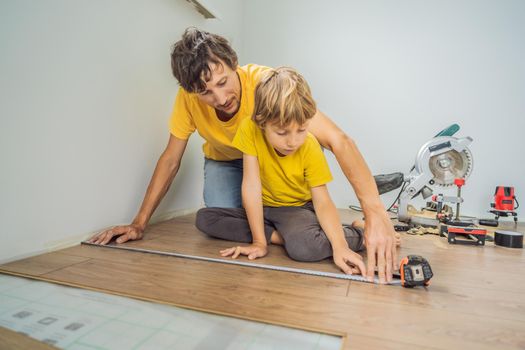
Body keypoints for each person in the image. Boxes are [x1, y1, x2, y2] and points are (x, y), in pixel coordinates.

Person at [88, 27, 398, 283]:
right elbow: (170, 159)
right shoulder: (187, 100)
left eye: (223, 82)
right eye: (206, 92)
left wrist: (376, 214)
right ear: (191, 90)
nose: (220, 98)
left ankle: (310, 230)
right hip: (229, 162)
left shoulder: (268, 88)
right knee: (211, 217)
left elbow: (339, 141)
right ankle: (283, 233)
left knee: (296, 230)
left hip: (274, 168)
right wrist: (139, 222)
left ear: (233, 64)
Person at [195, 67, 367, 275]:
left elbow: (322, 200)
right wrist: (259, 242)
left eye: (301, 130)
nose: (293, 141)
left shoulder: (310, 146)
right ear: (262, 122)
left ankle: (358, 232)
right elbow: (251, 185)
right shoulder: (249, 129)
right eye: (282, 132)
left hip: (296, 209)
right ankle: (280, 236)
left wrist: (341, 247)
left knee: (304, 248)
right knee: (205, 218)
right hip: (265, 207)